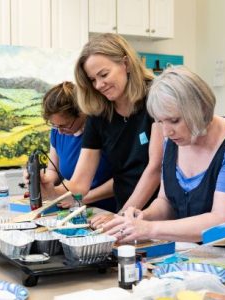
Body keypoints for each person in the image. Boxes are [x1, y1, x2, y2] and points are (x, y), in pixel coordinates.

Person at [103, 66, 225, 243]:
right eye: (161, 122)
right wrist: (142, 217)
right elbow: (166, 202)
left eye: (174, 120)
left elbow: (222, 220)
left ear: (200, 108)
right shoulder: (173, 141)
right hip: (187, 254)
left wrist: (149, 229)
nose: (166, 132)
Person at [39, 34, 163, 224]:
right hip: (126, 211)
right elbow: (80, 184)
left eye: (104, 75)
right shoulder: (98, 113)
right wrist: (50, 191)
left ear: (126, 63)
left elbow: (155, 167)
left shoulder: (156, 97)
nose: (99, 85)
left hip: (159, 212)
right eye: (92, 80)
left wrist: (123, 216)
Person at [39, 81, 116, 212]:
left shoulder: (103, 131)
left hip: (109, 209)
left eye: (64, 125)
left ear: (81, 112)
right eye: (54, 125)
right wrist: (42, 182)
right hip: (75, 206)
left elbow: (123, 179)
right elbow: (53, 171)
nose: (60, 131)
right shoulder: (58, 132)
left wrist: (82, 198)